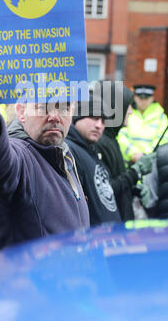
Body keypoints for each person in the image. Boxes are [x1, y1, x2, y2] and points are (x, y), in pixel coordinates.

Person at [0, 70, 90, 255]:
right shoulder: (20, 155)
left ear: (72, 112)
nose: (55, 116)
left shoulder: (63, 153)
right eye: (43, 107)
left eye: (63, 107)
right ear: (21, 112)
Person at [66, 90, 155, 225]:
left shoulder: (92, 149)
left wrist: (132, 190)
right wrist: (134, 173)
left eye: (103, 120)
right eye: (94, 117)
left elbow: (104, 189)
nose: (99, 125)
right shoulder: (70, 150)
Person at [117, 84, 168, 165]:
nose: (143, 101)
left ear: (152, 98)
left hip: (151, 166)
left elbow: (163, 139)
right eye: (140, 98)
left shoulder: (161, 117)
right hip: (128, 164)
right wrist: (133, 153)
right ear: (134, 98)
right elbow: (120, 136)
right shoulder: (127, 114)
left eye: (146, 98)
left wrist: (146, 156)